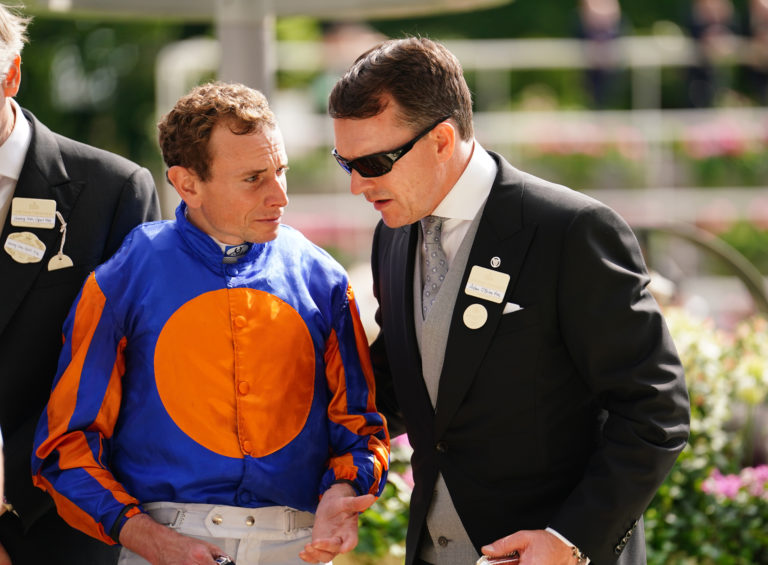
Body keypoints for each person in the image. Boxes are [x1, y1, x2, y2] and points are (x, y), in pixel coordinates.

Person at [329, 37, 690, 565]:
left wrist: (570, 542)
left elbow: (656, 409)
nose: (358, 185)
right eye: (346, 163)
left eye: (376, 161)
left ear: (441, 140)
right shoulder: (393, 233)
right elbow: (407, 386)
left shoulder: (571, 230)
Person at [32, 81, 389, 565]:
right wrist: (148, 539)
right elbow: (65, 445)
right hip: (165, 542)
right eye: (253, 178)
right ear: (186, 184)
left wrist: (340, 496)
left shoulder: (321, 277)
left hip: (301, 544)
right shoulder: (124, 277)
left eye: (280, 170)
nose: (280, 196)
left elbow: (361, 428)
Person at [0, 3, 160, 564]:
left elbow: (127, 367)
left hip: (54, 519)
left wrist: (8, 481)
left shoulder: (114, 191)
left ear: (12, 75)